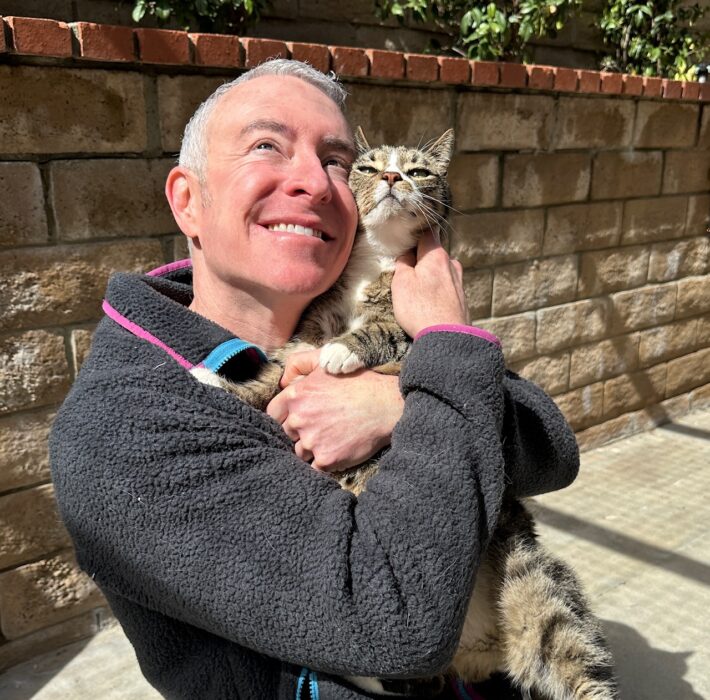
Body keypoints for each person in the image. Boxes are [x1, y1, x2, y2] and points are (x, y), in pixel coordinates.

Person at [50, 59, 579, 700]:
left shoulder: (356, 317)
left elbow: (551, 449)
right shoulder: (122, 427)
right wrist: (444, 359)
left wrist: (395, 402)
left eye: (335, 160)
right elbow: (400, 623)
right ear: (188, 200)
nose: (314, 182)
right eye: (266, 146)